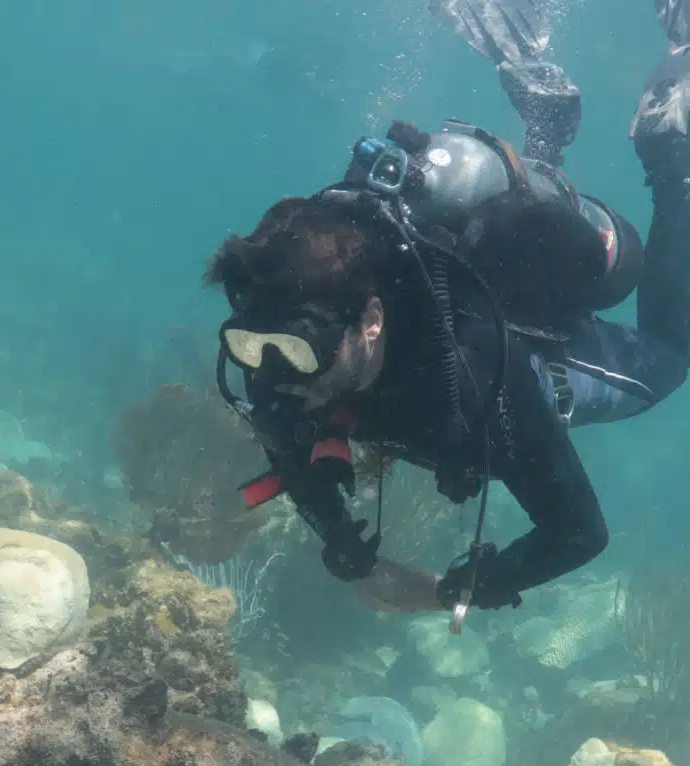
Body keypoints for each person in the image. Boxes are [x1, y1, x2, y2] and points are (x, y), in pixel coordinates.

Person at [206, 1, 690, 631]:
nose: (277, 373)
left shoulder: (472, 370)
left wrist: (449, 591)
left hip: (527, 343)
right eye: (249, 346)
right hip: (480, 277)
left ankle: (671, 165)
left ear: (371, 319)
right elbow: (290, 452)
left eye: (305, 349)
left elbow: (577, 532)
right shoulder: (270, 340)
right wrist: (341, 542)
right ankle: (544, 131)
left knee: (672, 359)